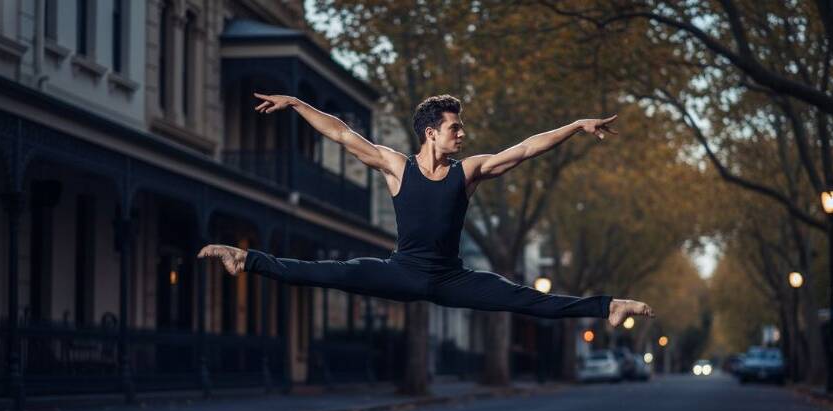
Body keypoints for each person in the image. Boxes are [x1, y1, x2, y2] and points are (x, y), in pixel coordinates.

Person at [198, 93, 653, 326]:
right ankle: (245, 259)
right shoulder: (397, 167)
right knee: (327, 272)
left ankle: (611, 306)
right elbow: (340, 133)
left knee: (529, 300)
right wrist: (298, 104)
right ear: (431, 133)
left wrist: (575, 125)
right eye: (456, 128)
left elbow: (525, 149)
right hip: (402, 271)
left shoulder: (468, 172)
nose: (463, 134)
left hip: (453, 279)